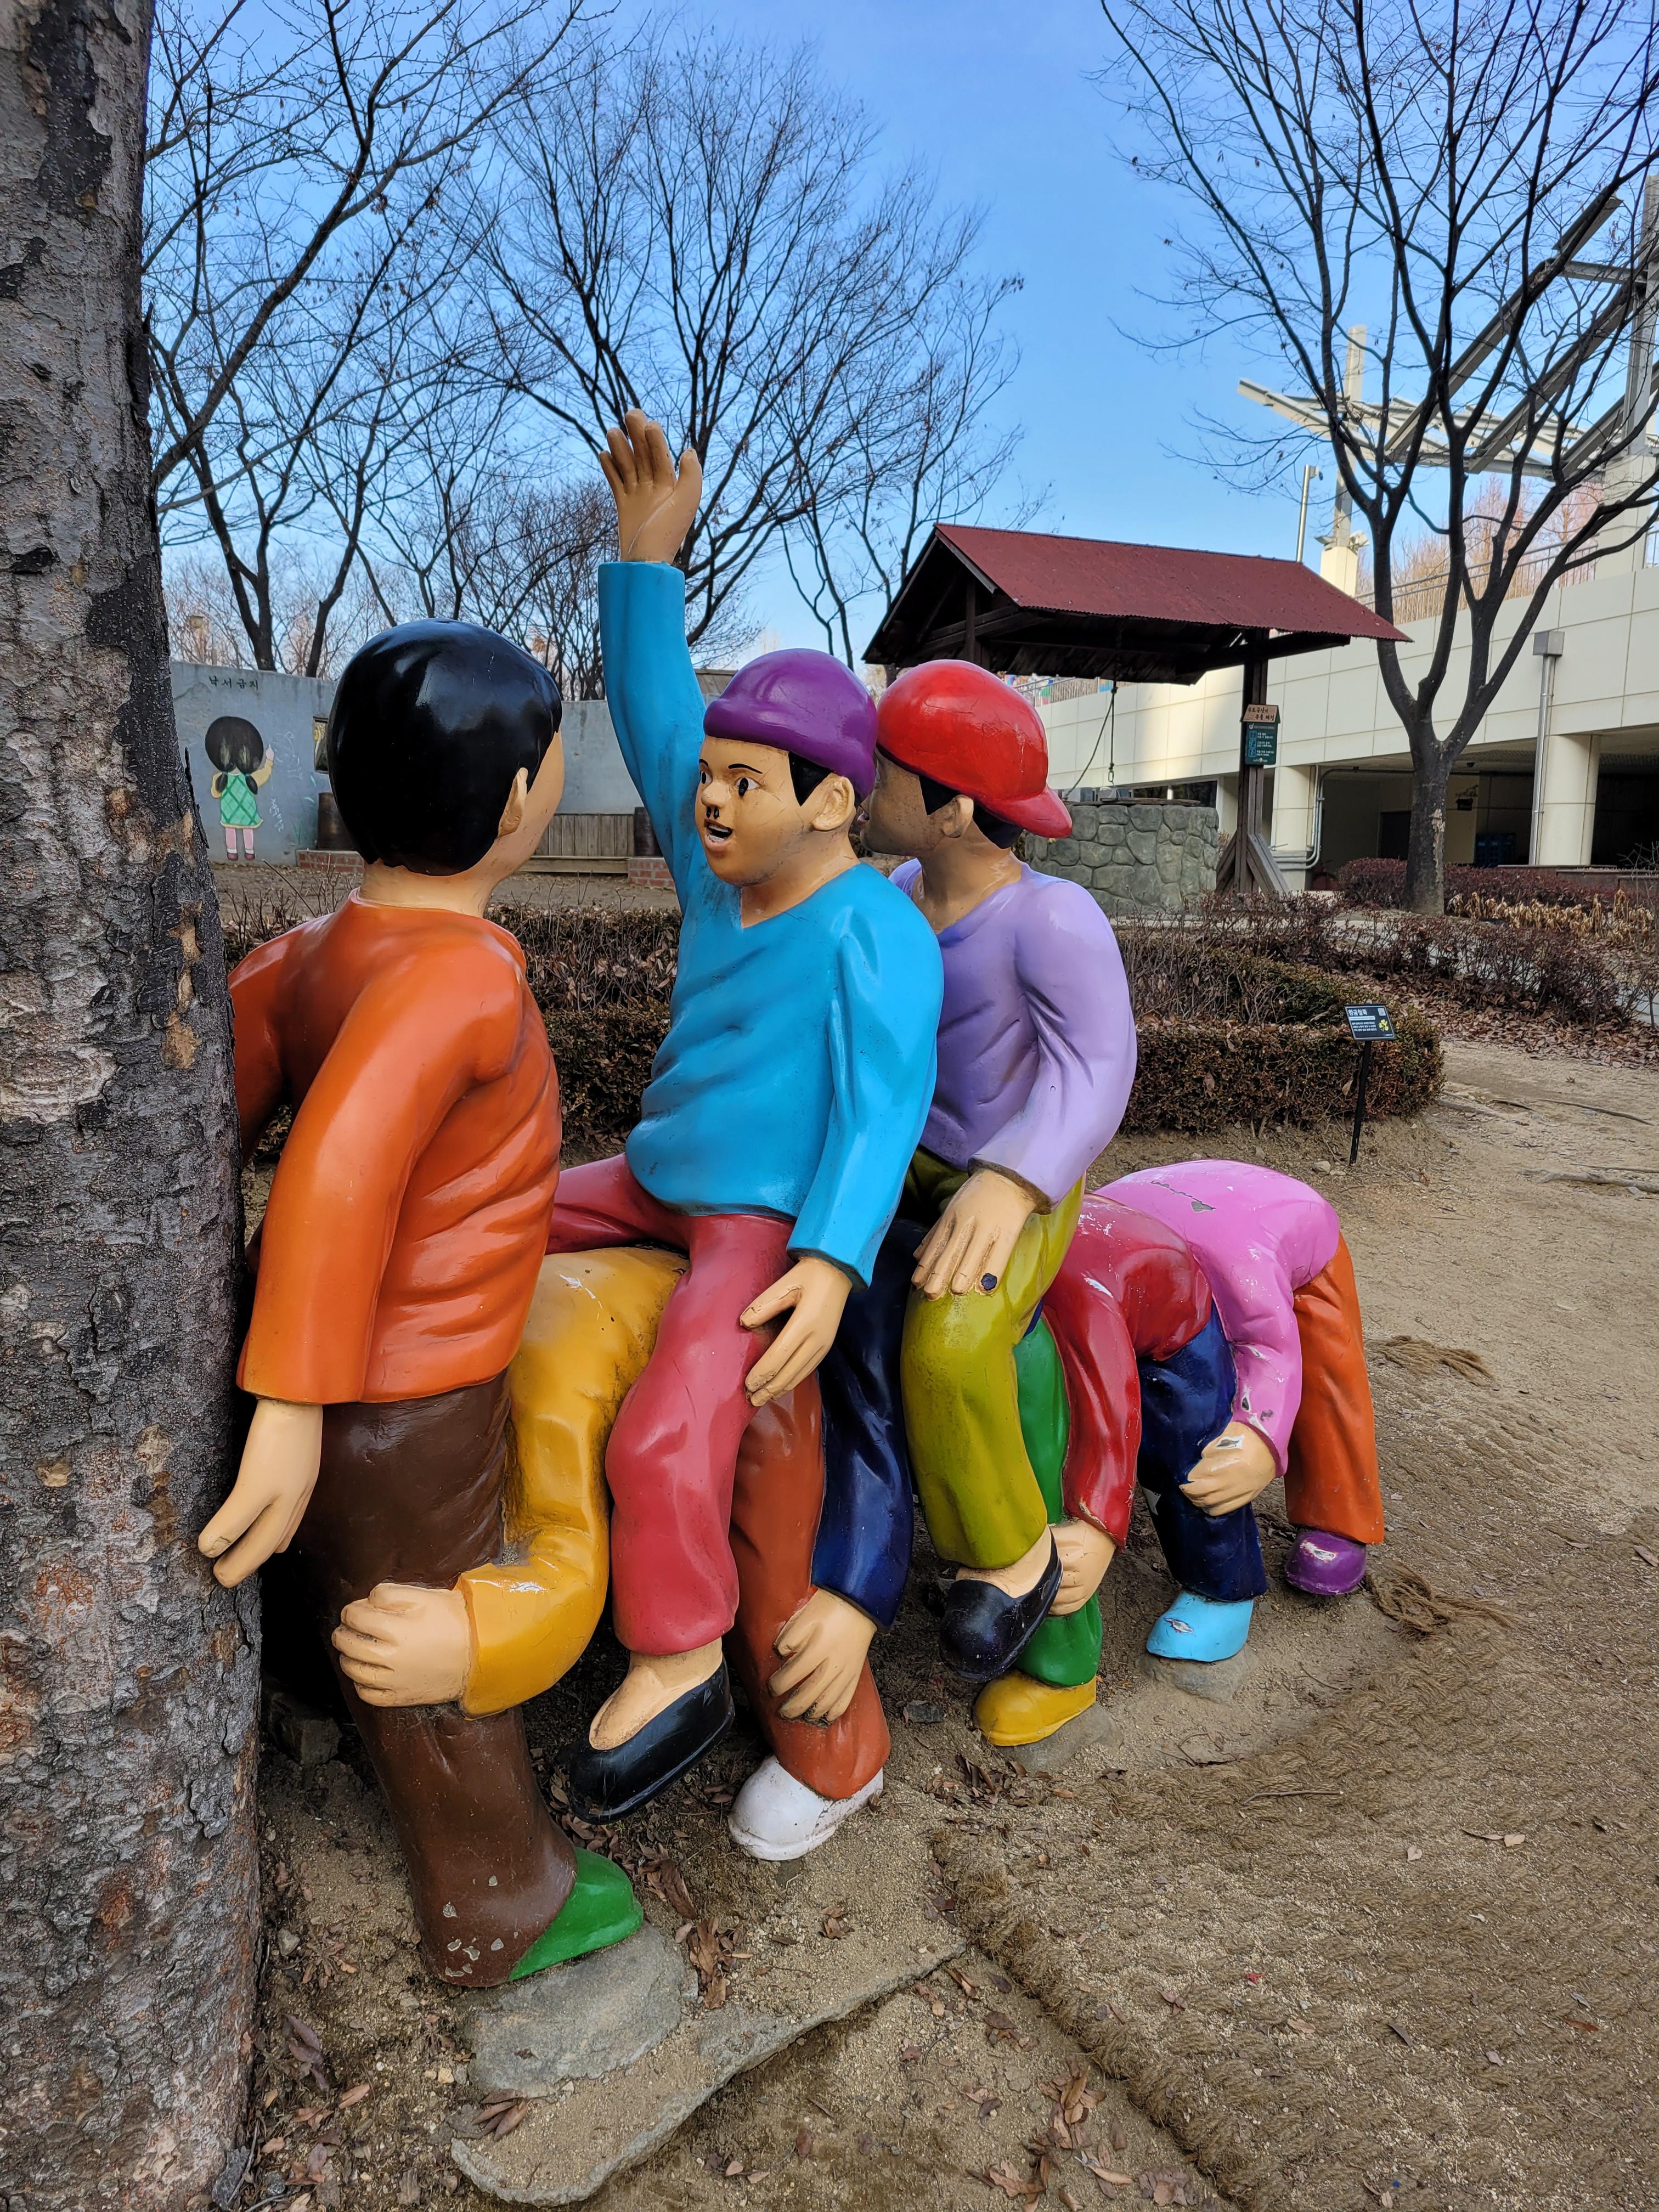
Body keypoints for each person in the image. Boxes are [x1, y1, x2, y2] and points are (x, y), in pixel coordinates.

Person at [197, 619, 640, 1988]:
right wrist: (293, 1403)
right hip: (413, 1394)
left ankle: (309, 1707)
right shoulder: (460, 980)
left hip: (340, 1377)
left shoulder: (316, 952)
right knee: (426, 1641)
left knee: (340, 1596)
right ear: (515, 803)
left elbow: (214, 1104)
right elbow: (335, 1173)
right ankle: (499, 1897)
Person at [546, 414, 941, 1824]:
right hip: (656, 1170)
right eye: (713, 777)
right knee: (489, 1214)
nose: (708, 799)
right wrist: (645, 563)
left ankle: (678, 1651)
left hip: (755, 1220)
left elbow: (884, 1108)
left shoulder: (875, 933)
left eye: (743, 783)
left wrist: (829, 1260)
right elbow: (658, 716)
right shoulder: (720, 873)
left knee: (671, 1427)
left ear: (832, 804)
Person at [840, 660, 1137, 1686]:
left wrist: (1013, 1180)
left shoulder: (1048, 918)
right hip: (906, 1161)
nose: (864, 785)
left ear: (953, 810)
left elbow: (1097, 1066)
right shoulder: (896, 895)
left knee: (953, 1344)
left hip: (1013, 1176)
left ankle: (1012, 1557)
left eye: (884, 772)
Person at [1089, 1160, 1386, 1662]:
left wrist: (1259, 1435)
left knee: (1328, 1381)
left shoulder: (1239, 1270)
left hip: (1270, 1226)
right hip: (1155, 1214)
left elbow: (1269, 1348)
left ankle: (1339, 1516)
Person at [205, 714, 273, 859]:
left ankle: (232, 852)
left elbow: (215, 793)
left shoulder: (220, 779)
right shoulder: (251, 778)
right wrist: (269, 762)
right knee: (247, 829)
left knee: (231, 830)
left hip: (229, 813)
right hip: (247, 812)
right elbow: (265, 774)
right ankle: (249, 851)